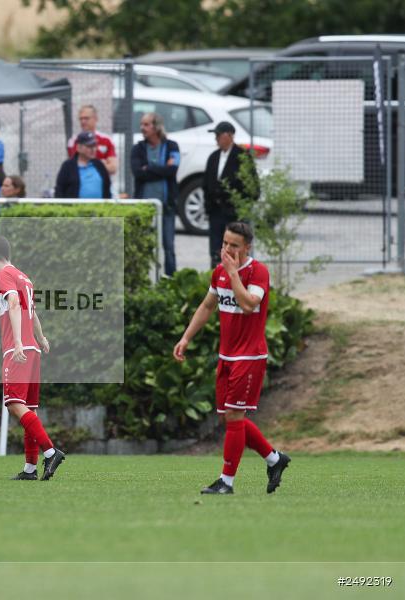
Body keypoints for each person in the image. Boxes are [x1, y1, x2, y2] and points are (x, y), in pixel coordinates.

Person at [173, 222, 291, 495]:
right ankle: (274, 459)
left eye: (234, 245)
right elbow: (207, 306)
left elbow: (250, 304)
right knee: (230, 419)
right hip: (226, 356)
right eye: (225, 243)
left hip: (249, 356)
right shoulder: (219, 273)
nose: (227, 249)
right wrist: (186, 337)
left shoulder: (257, 271)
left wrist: (233, 274)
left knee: (236, 417)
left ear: (247, 247)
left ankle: (226, 482)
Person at [0, 235, 66, 481]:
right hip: (33, 350)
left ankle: (50, 452)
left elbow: (15, 305)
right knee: (29, 410)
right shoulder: (23, 276)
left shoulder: (4, 275)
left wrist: (17, 343)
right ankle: (30, 470)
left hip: (18, 350)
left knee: (14, 403)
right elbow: (32, 312)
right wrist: (41, 338)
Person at [204, 121, 259, 266]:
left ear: (229, 136)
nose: (216, 139)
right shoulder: (213, 157)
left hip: (234, 214)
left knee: (234, 250)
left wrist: (239, 208)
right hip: (215, 212)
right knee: (216, 250)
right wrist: (209, 205)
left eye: (218, 135)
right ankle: (215, 279)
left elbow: (253, 189)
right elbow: (206, 184)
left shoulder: (242, 157)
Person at [132, 112, 180, 277]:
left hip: (167, 205)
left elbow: (173, 169)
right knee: (143, 246)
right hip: (144, 207)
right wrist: (161, 169)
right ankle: (142, 278)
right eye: (141, 124)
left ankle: (171, 279)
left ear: (156, 127)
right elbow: (138, 173)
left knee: (168, 245)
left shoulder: (171, 146)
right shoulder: (138, 149)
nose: (142, 128)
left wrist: (150, 168)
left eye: (146, 125)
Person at [55, 131, 112, 200]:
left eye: (94, 146)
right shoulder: (68, 166)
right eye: (89, 146)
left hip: (99, 209)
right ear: (79, 148)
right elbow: (59, 190)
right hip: (75, 209)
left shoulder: (99, 165)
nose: (93, 149)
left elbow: (107, 187)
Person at [66, 104, 118, 177]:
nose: (83, 122)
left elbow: (113, 168)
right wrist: (101, 163)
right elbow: (77, 167)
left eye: (86, 118)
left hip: (103, 184)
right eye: (81, 119)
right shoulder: (73, 141)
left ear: (95, 119)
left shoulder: (106, 140)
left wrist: (90, 164)